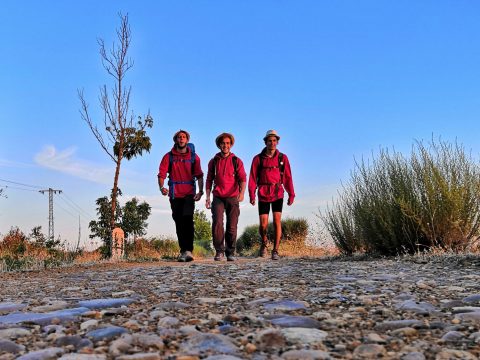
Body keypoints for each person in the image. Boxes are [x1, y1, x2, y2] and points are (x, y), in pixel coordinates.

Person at [158, 130, 204, 262]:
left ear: (187, 140)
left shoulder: (194, 157)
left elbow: (199, 175)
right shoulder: (169, 157)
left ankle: (188, 250)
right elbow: (161, 174)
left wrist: (200, 191)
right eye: (179, 137)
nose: (181, 139)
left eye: (184, 137)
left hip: (189, 193)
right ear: (175, 140)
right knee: (178, 221)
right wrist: (162, 187)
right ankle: (183, 251)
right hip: (175, 194)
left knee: (188, 219)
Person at [248, 130, 295, 260]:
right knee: (263, 224)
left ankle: (275, 250)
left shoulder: (282, 158)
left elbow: (287, 177)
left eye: (274, 141)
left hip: (277, 192)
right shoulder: (257, 159)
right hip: (263, 192)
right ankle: (264, 243)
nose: (272, 143)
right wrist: (251, 194)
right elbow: (252, 177)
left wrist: (291, 193)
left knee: (276, 221)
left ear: (277, 142)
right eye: (270, 141)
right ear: (265, 142)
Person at [205, 132, 247, 261]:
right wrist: (207, 197)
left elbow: (243, 178)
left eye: (228, 143)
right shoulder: (213, 161)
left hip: (233, 196)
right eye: (223, 143)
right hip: (218, 196)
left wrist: (242, 193)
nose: (225, 145)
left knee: (232, 225)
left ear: (231, 145)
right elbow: (209, 179)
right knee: (217, 223)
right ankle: (219, 251)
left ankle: (230, 252)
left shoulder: (236, 161)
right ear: (219, 145)